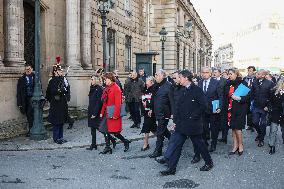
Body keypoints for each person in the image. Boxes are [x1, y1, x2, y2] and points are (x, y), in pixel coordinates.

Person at [156, 70, 213, 176]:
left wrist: (193, 116)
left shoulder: (197, 90)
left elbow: (203, 106)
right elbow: (178, 107)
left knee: (200, 144)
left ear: (186, 78)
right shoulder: (182, 90)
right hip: (181, 124)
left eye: (180, 77)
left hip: (193, 124)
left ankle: (209, 162)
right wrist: (176, 121)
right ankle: (171, 168)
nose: (178, 80)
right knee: (176, 144)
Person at [99, 72, 131, 154]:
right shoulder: (107, 88)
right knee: (103, 129)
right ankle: (108, 146)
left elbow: (118, 103)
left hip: (113, 113)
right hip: (107, 112)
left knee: (115, 132)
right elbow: (105, 102)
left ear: (110, 79)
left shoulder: (116, 88)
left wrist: (115, 115)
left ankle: (125, 141)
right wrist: (102, 112)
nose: (104, 81)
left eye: (105, 79)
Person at [223, 68, 250, 155]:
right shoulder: (228, 84)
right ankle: (235, 146)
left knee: (238, 128)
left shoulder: (243, 83)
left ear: (236, 74)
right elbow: (225, 96)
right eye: (228, 74)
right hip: (230, 109)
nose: (229, 75)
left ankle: (240, 145)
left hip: (240, 109)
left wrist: (240, 98)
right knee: (233, 128)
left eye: (231, 74)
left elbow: (249, 97)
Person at [149, 69, 174, 158]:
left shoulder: (169, 86)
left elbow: (172, 101)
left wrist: (172, 113)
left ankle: (158, 151)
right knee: (163, 130)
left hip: (165, 113)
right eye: (155, 75)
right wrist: (151, 108)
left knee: (160, 132)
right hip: (157, 112)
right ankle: (174, 141)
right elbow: (153, 98)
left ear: (163, 76)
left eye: (158, 75)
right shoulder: (156, 85)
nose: (156, 77)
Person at [197, 67, 222, 152]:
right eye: (203, 72)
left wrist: (219, 107)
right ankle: (205, 142)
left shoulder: (216, 83)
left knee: (214, 128)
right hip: (202, 110)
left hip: (213, 109)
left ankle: (213, 144)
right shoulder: (199, 82)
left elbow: (220, 96)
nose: (205, 74)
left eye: (207, 72)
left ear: (210, 73)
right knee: (203, 127)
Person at [251, 69, 275, 147]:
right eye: (257, 73)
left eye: (258, 74)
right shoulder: (254, 82)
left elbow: (272, 97)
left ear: (263, 75)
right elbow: (252, 93)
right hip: (256, 106)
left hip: (264, 108)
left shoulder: (270, 83)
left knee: (263, 124)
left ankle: (261, 139)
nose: (256, 75)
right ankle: (260, 133)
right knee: (254, 122)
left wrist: (268, 106)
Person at [46, 64, 68, 144]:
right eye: (59, 71)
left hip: (62, 103)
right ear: (56, 72)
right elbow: (50, 92)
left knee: (61, 121)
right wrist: (59, 90)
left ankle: (60, 137)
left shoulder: (62, 79)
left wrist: (63, 89)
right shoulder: (52, 81)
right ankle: (56, 138)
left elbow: (66, 90)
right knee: (56, 121)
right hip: (56, 103)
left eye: (61, 71)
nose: (61, 72)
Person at [17, 63, 35, 137]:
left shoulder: (36, 77)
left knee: (33, 114)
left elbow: (39, 88)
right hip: (26, 99)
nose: (28, 71)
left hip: (34, 98)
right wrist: (19, 103)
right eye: (26, 69)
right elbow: (19, 92)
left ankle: (33, 129)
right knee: (28, 115)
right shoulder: (21, 79)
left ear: (32, 69)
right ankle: (31, 129)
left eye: (29, 69)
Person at [86, 75, 104, 150]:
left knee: (100, 128)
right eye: (91, 79)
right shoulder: (92, 88)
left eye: (92, 79)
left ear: (96, 80)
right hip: (91, 110)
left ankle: (111, 140)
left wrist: (95, 113)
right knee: (92, 128)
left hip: (95, 111)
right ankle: (93, 144)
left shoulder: (99, 89)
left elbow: (99, 102)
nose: (91, 81)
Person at [141, 76, 158, 151]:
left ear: (152, 82)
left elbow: (155, 101)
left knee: (146, 126)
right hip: (145, 111)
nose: (146, 82)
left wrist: (151, 109)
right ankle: (163, 138)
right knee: (153, 127)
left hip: (151, 111)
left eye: (147, 80)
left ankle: (146, 143)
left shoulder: (154, 89)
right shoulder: (145, 88)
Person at [267, 78, 284, 154]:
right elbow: (270, 101)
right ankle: (272, 146)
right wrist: (270, 108)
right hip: (275, 113)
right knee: (273, 130)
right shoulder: (273, 91)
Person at [213, 68, 228, 143]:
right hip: (215, 102)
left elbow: (226, 93)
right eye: (214, 72)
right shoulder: (212, 80)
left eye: (216, 72)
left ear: (220, 73)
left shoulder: (224, 81)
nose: (214, 73)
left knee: (224, 120)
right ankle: (214, 136)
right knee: (215, 119)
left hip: (223, 103)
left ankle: (224, 137)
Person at [243, 66, 256, 132]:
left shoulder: (256, 78)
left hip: (253, 97)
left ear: (254, 71)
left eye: (251, 71)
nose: (249, 72)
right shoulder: (245, 78)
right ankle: (249, 125)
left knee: (253, 111)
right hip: (246, 97)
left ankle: (253, 125)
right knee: (248, 111)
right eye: (248, 70)